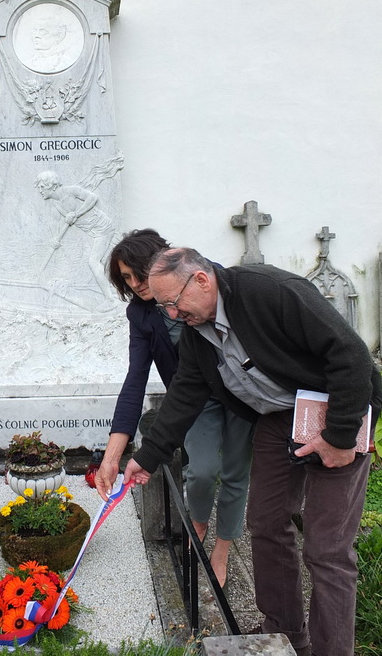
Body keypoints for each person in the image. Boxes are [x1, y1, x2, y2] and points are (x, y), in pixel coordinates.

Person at [124, 248, 382, 656]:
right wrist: (147, 457)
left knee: (326, 549)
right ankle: (285, 635)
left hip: (337, 412)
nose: (172, 314)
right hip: (279, 419)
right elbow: (185, 394)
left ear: (201, 281)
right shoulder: (197, 332)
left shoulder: (269, 290)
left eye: (173, 302)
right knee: (265, 524)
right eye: (163, 308)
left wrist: (339, 436)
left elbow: (350, 353)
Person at [94, 230, 254, 587]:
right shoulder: (140, 314)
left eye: (138, 272)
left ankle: (223, 547)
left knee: (234, 472)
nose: (135, 283)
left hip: (241, 395)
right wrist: (111, 456)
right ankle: (198, 522)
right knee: (201, 470)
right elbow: (135, 380)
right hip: (193, 400)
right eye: (126, 278)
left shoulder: (204, 283)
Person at [34, 170, 115, 301]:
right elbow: (61, 223)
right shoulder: (56, 203)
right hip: (91, 233)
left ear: (52, 186)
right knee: (103, 262)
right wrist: (55, 239)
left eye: (42, 187)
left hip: (103, 228)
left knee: (93, 262)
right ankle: (114, 290)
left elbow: (93, 198)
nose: (40, 191)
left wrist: (77, 213)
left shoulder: (71, 190)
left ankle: (110, 300)